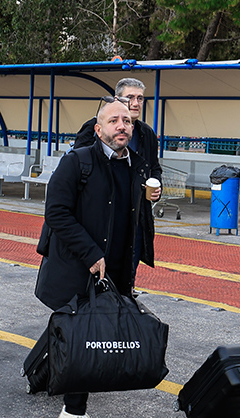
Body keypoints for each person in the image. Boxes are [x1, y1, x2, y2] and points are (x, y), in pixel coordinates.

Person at [35, 98, 155, 418]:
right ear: (98, 129)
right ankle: (73, 412)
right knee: (86, 336)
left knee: (88, 334)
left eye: (127, 121)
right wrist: (90, 253)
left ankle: (50, 383)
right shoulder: (78, 161)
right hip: (82, 266)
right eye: (114, 120)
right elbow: (56, 212)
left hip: (117, 266)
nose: (122, 126)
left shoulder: (136, 165)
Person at [73, 78, 162, 289]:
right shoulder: (93, 128)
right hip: (101, 215)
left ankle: (124, 296)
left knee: (128, 269)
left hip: (134, 215)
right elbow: (78, 166)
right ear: (117, 99)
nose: (135, 103)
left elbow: (154, 167)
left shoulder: (147, 134)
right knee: (97, 271)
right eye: (130, 97)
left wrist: (156, 185)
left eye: (140, 98)